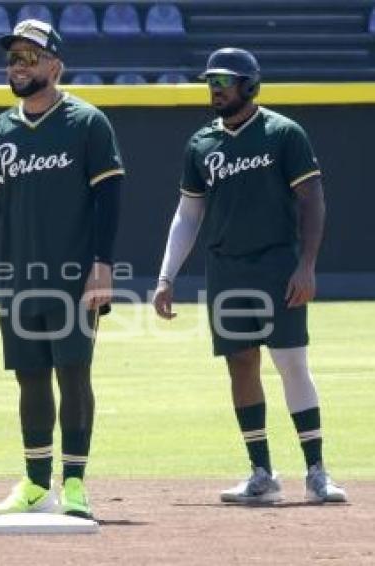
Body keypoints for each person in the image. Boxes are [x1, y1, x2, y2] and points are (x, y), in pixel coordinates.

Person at [152, 48, 346, 504]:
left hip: (279, 265)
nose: (216, 89)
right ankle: (261, 472)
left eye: (225, 81)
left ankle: (317, 471)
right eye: (211, 82)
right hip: (226, 270)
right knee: (240, 364)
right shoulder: (201, 144)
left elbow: (312, 199)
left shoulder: (283, 133)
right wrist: (166, 277)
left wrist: (307, 264)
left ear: (250, 85)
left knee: (291, 362)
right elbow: (188, 213)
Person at [0, 20, 124, 519]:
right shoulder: (1, 130)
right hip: (19, 276)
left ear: (55, 65)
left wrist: (102, 265)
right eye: (13, 57)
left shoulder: (86, 122)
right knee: (29, 376)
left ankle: (73, 483)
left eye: (30, 57)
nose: (18, 66)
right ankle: (35, 484)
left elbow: (109, 197)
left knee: (74, 375)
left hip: (74, 277)